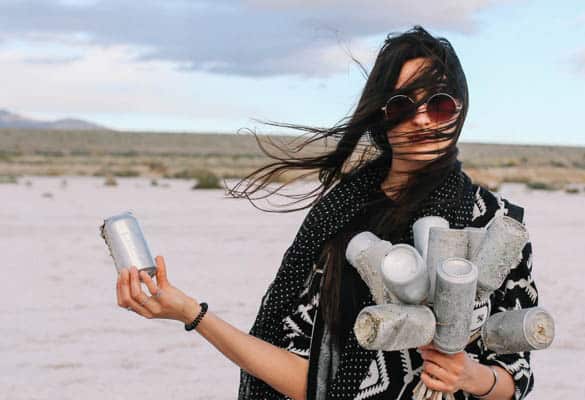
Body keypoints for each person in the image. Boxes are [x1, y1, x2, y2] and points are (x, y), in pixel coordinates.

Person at [116, 26, 538, 400]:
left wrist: (471, 376)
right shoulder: (338, 218)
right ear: (381, 117)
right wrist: (193, 314)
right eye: (403, 106)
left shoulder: (497, 225)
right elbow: (307, 378)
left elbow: (514, 376)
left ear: (461, 110)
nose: (423, 121)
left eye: (440, 105)